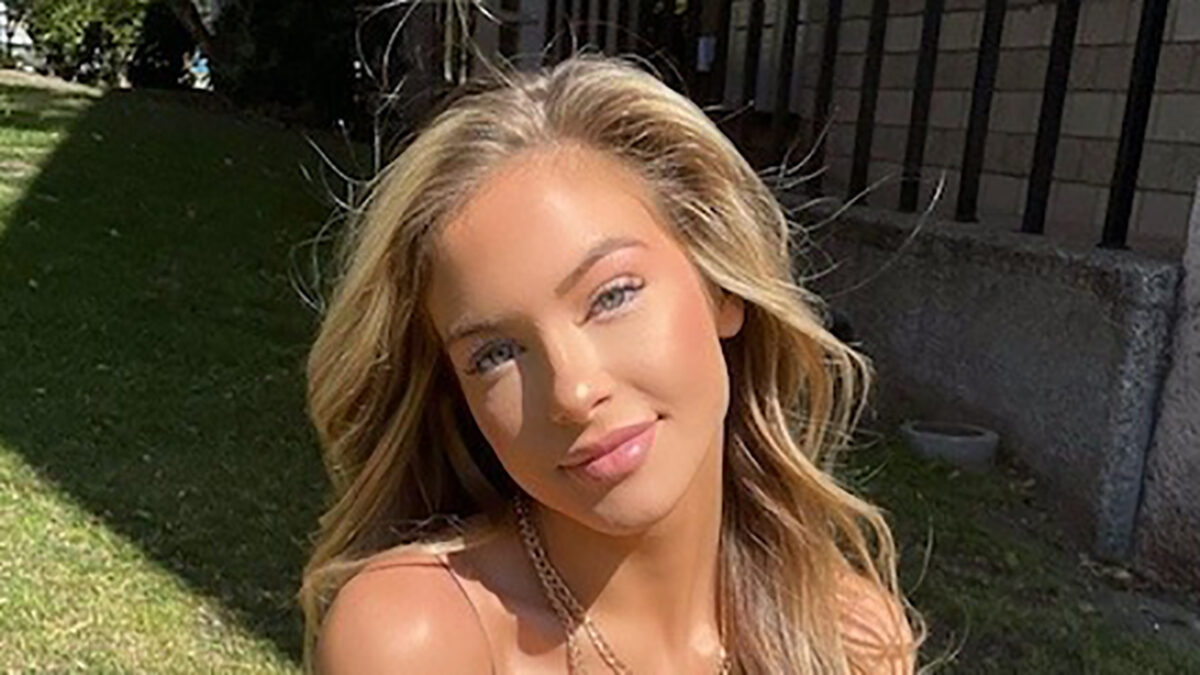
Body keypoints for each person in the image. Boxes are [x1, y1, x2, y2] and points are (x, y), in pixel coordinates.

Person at [299, 53, 923, 674]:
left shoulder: (853, 643)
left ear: (721, 286)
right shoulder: (417, 640)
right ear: (456, 396)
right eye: (495, 354)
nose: (572, 392)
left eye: (612, 296)